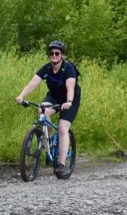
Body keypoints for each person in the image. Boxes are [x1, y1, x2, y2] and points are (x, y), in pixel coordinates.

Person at [15, 40, 80, 179]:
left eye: (57, 53)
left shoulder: (68, 68)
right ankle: (48, 140)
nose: (54, 55)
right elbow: (32, 84)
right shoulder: (46, 69)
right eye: (52, 53)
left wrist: (68, 102)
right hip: (54, 97)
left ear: (61, 55)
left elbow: (71, 88)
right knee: (42, 110)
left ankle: (61, 165)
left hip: (70, 99)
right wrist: (21, 96)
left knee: (63, 129)